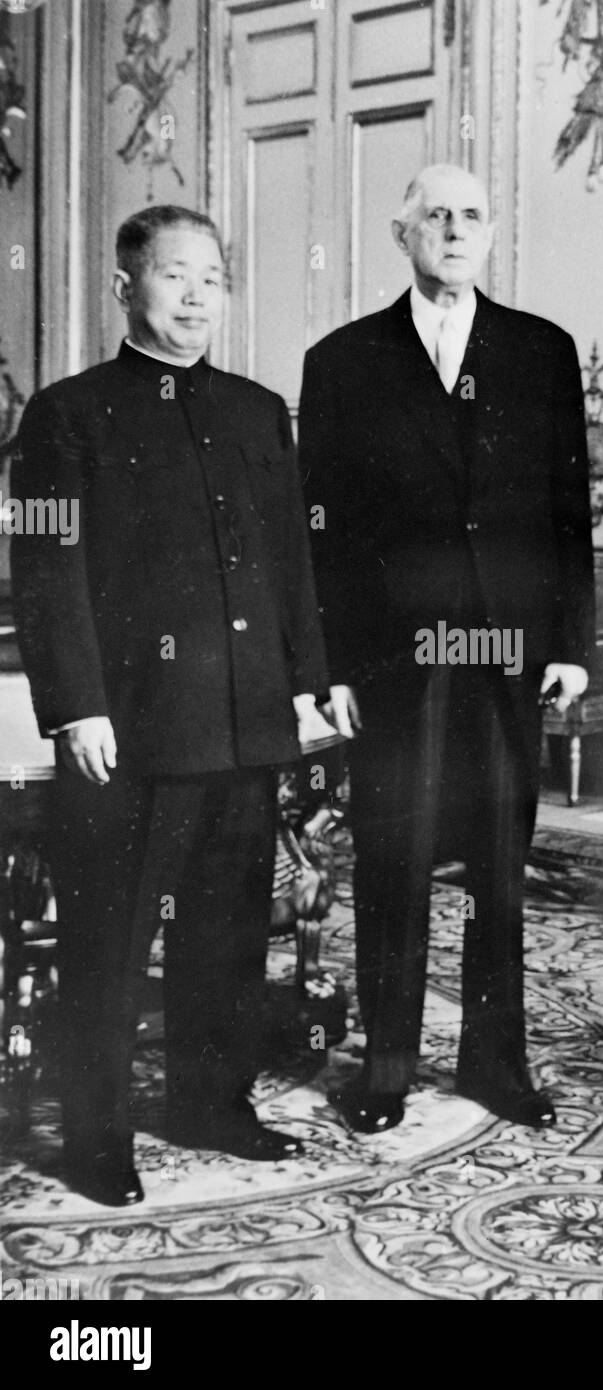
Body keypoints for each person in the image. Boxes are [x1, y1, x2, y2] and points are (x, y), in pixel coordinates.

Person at [11, 205, 334, 1205]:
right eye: (174, 277)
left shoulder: (253, 409)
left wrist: (307, 685)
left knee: (227, 934)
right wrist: (76, 708)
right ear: (126, 289)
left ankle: (211, 1102)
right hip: (129, 731)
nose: (196, 298)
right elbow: (47, 567)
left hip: (242, 724)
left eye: (211, 279)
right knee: (108, 941)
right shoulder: (67, 413)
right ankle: (95, 1138)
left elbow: (290, 561)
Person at [299, 164, 594, 1133]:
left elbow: (566, 510)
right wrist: (330, 666)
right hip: (394, 655)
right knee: (392, 855)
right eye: (436, 215)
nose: (455, 230)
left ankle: (494, 1062)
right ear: (402, 233)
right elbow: (324, 533)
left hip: (507, 651)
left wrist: (571, 643)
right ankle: (385, 1066)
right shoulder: (342, 361)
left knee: (498, 870)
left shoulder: (540, 351)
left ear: (491, 232)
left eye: (472, 216)